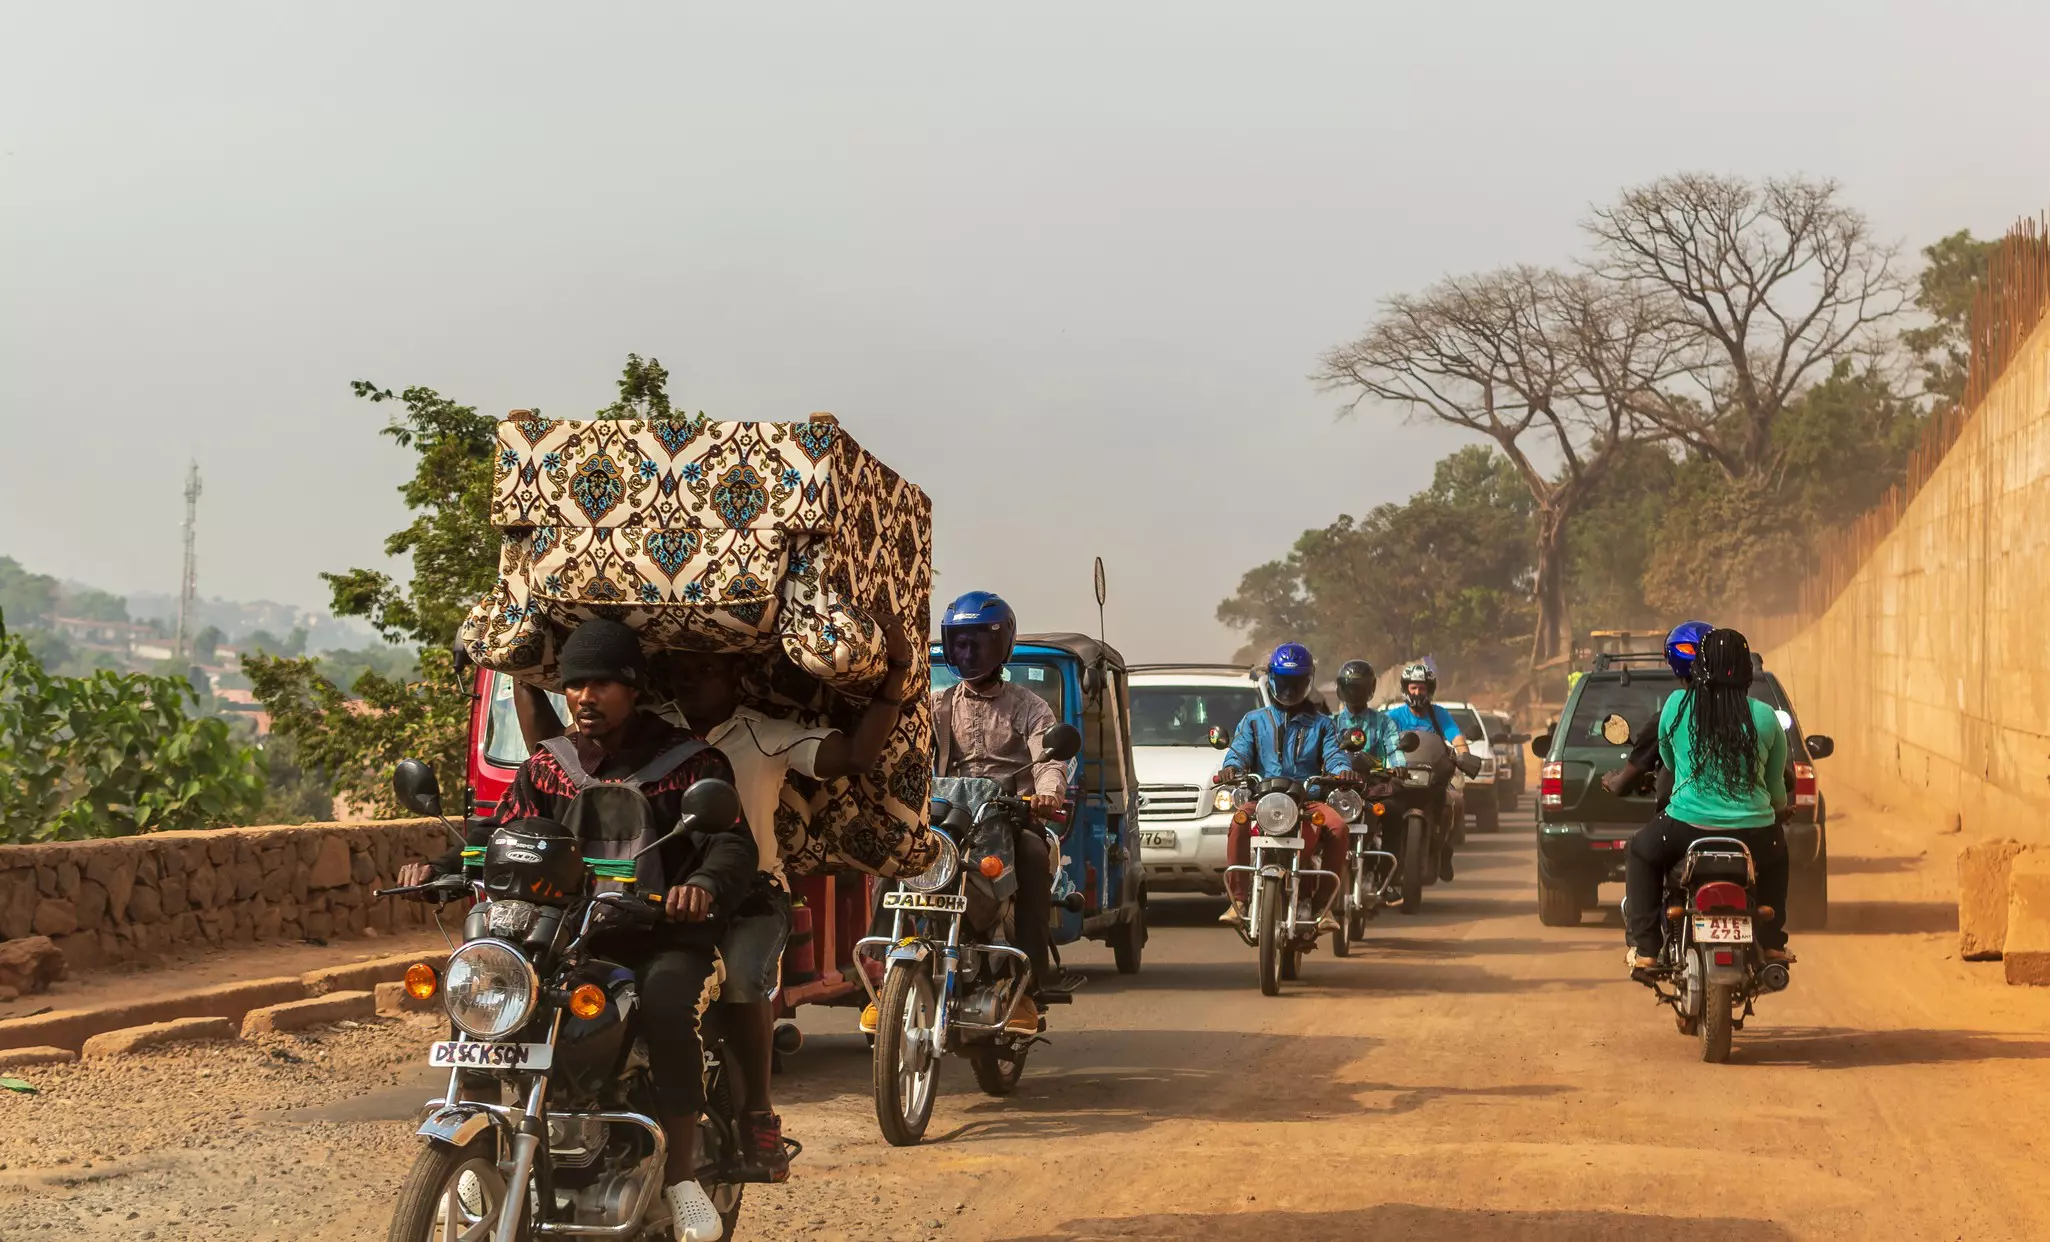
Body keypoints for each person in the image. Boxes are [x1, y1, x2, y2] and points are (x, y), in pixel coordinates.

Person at [396, 619, 751, 1242]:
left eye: (602, 684)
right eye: (575, 684)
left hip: (659, 937)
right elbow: (497, 840)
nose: (585, 697)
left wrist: (702, 888)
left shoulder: (690, 762)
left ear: (633, 687)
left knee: (668, 1006)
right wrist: (442, 868)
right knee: (481, 976)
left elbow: (729, 847)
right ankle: (477, 1135)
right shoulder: (548, 766)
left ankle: (684, 1177)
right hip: (562, 939)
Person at [664, 613, 918, 1182]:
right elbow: (554, 752)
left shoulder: (766, 733)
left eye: (707, 669)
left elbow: (853, 756)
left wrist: (894, 674)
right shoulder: (651, 730)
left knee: (738, 981)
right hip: (664, 898)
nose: (691, 681)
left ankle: (758, 1114)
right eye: (681, 670)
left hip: (752, 897)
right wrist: (525, 676)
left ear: (735, 679)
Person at [922, 590, 1070, 1037]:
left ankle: (1027, 991)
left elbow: (1050, 759)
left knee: (1029, 855)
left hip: (1012, 819)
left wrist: (1047, 794)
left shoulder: (1029, 706)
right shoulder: (937, 705)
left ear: (1001, 646)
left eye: (978, 645)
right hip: (950, 820)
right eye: (959, 644)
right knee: (898, 852)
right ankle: (884, 965)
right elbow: (907, 755)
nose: (967, 654)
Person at [1621, 627, 1793, 974]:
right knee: (1778, 855)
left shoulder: (1676, 706)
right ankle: (1773, 943)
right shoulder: (1766, 717)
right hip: (1755, 833)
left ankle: (1647, 949)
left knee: (1639, 850)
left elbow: (1668, 764)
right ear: (1747, 669)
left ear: (1699, 666)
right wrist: (1773, 812)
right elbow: (1776, 791)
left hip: (1685, 828)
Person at [1214, 642, 1352, 926]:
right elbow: (1239, 751)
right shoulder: (1253, 721)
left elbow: (1335, 755)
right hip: (1263, 799)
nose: (1290, 689)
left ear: (1307, 682)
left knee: (1338, 826)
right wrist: (1232, 768)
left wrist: (1342, 772)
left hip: (1307, 800)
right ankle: (1239, 899)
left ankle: (1322, 907)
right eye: (1285, 681)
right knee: (1239, 822)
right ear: (1273, 679)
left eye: (1297, 682)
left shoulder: (1322, 724)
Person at [1600, 620, 1713, 804]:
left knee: (1640, 835)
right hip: (1749, 823)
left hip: (1683, 819)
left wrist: (1611, 780)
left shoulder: (1674, 707)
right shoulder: (1756, 712)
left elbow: (1623, 784)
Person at [1382, 659, 1468, 881]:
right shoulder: (1395, 716)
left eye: (1422, 687)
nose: (1418, 692)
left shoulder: (1439, 714)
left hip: (1434, 776)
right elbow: (1382, 738)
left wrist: (1464, 754)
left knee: (1456, 802)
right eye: (1413, 687)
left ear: (1429, 690)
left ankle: (1445, 848)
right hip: (1400, 776)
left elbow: (1456, 736)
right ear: (1405, 689)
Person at [1331, 659, 1402, 769]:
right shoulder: (1331, 724)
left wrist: (1399, 767)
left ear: (1370, 688)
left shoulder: (1384, 723)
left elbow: (1394, 750)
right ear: (1342, 689)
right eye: (1351, 688)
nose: (1354, 693)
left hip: (1376, 783)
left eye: (1359, 688)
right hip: (1338, 783)